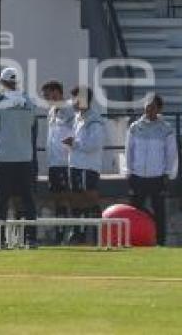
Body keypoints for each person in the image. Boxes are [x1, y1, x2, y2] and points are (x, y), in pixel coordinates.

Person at [0, 68, 38, 248]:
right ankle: (31, 239)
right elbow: (31, 124)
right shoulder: (29, 101)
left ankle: (1, 239)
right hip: (25, 156)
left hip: (4, 157)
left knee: (2, 200)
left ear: (2, 82)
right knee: (28, 200)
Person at [125, 93, 177, 246]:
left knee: (159, 211)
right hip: (138, 175)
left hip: (157, 176)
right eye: (147, 107)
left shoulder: (166, 129)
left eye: (153, 107)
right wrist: (129, 171)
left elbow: (171, 153)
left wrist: (169, 173)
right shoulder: (135, 127)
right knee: (135, 210)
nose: (149, 110)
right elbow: (129, 151)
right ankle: (133, 239)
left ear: (159, 109)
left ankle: (161, 242)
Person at [62, 86, 107, 244]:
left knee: (89, 195)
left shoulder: (94, 120)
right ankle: (78, 232)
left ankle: (96, 233)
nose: (73, 102)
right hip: (75, 163)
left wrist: (73, 143)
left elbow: (94, 144)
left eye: (76, 98)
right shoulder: (77, 118)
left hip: (88, 166)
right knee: (75, 197)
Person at [41, 80, 74, 244]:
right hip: (54, 162)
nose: (48, 98)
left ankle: (74, 231)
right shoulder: (52, 111)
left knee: (69, 197)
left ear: (57, 92)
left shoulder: (70, 109)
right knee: (57, 197)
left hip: (65, 161)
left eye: (49, 95)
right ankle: (60, 232)